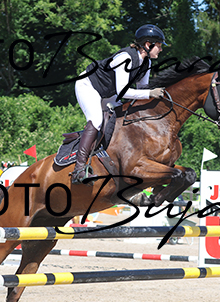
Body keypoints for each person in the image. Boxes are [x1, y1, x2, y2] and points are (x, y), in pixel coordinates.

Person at [72, 24, 167, 184]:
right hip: (89, 86)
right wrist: (150, 93)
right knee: (96, 121)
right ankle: (79, 170)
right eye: (159, 45)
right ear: (147, 44)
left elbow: (142, 89)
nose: (161, 49)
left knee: (121, 119)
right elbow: (123, 91)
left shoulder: (147, 63)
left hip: (108, 93)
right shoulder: (125, 58)